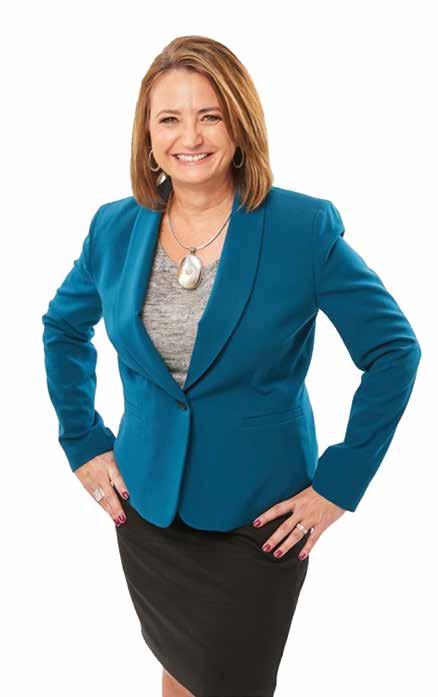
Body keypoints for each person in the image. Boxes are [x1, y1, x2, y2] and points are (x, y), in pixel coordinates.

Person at [41, 35, 421, 697]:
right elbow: (64, 328)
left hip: (260, 519)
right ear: (147, 134)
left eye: (209, 116)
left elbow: (393, 350)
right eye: (169, 118)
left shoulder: (301, 228)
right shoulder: (114, 228)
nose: (190, 136)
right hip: (147, 508)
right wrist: (82, 439)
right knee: (180, 674)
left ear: (239, 124)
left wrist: (340, 483)